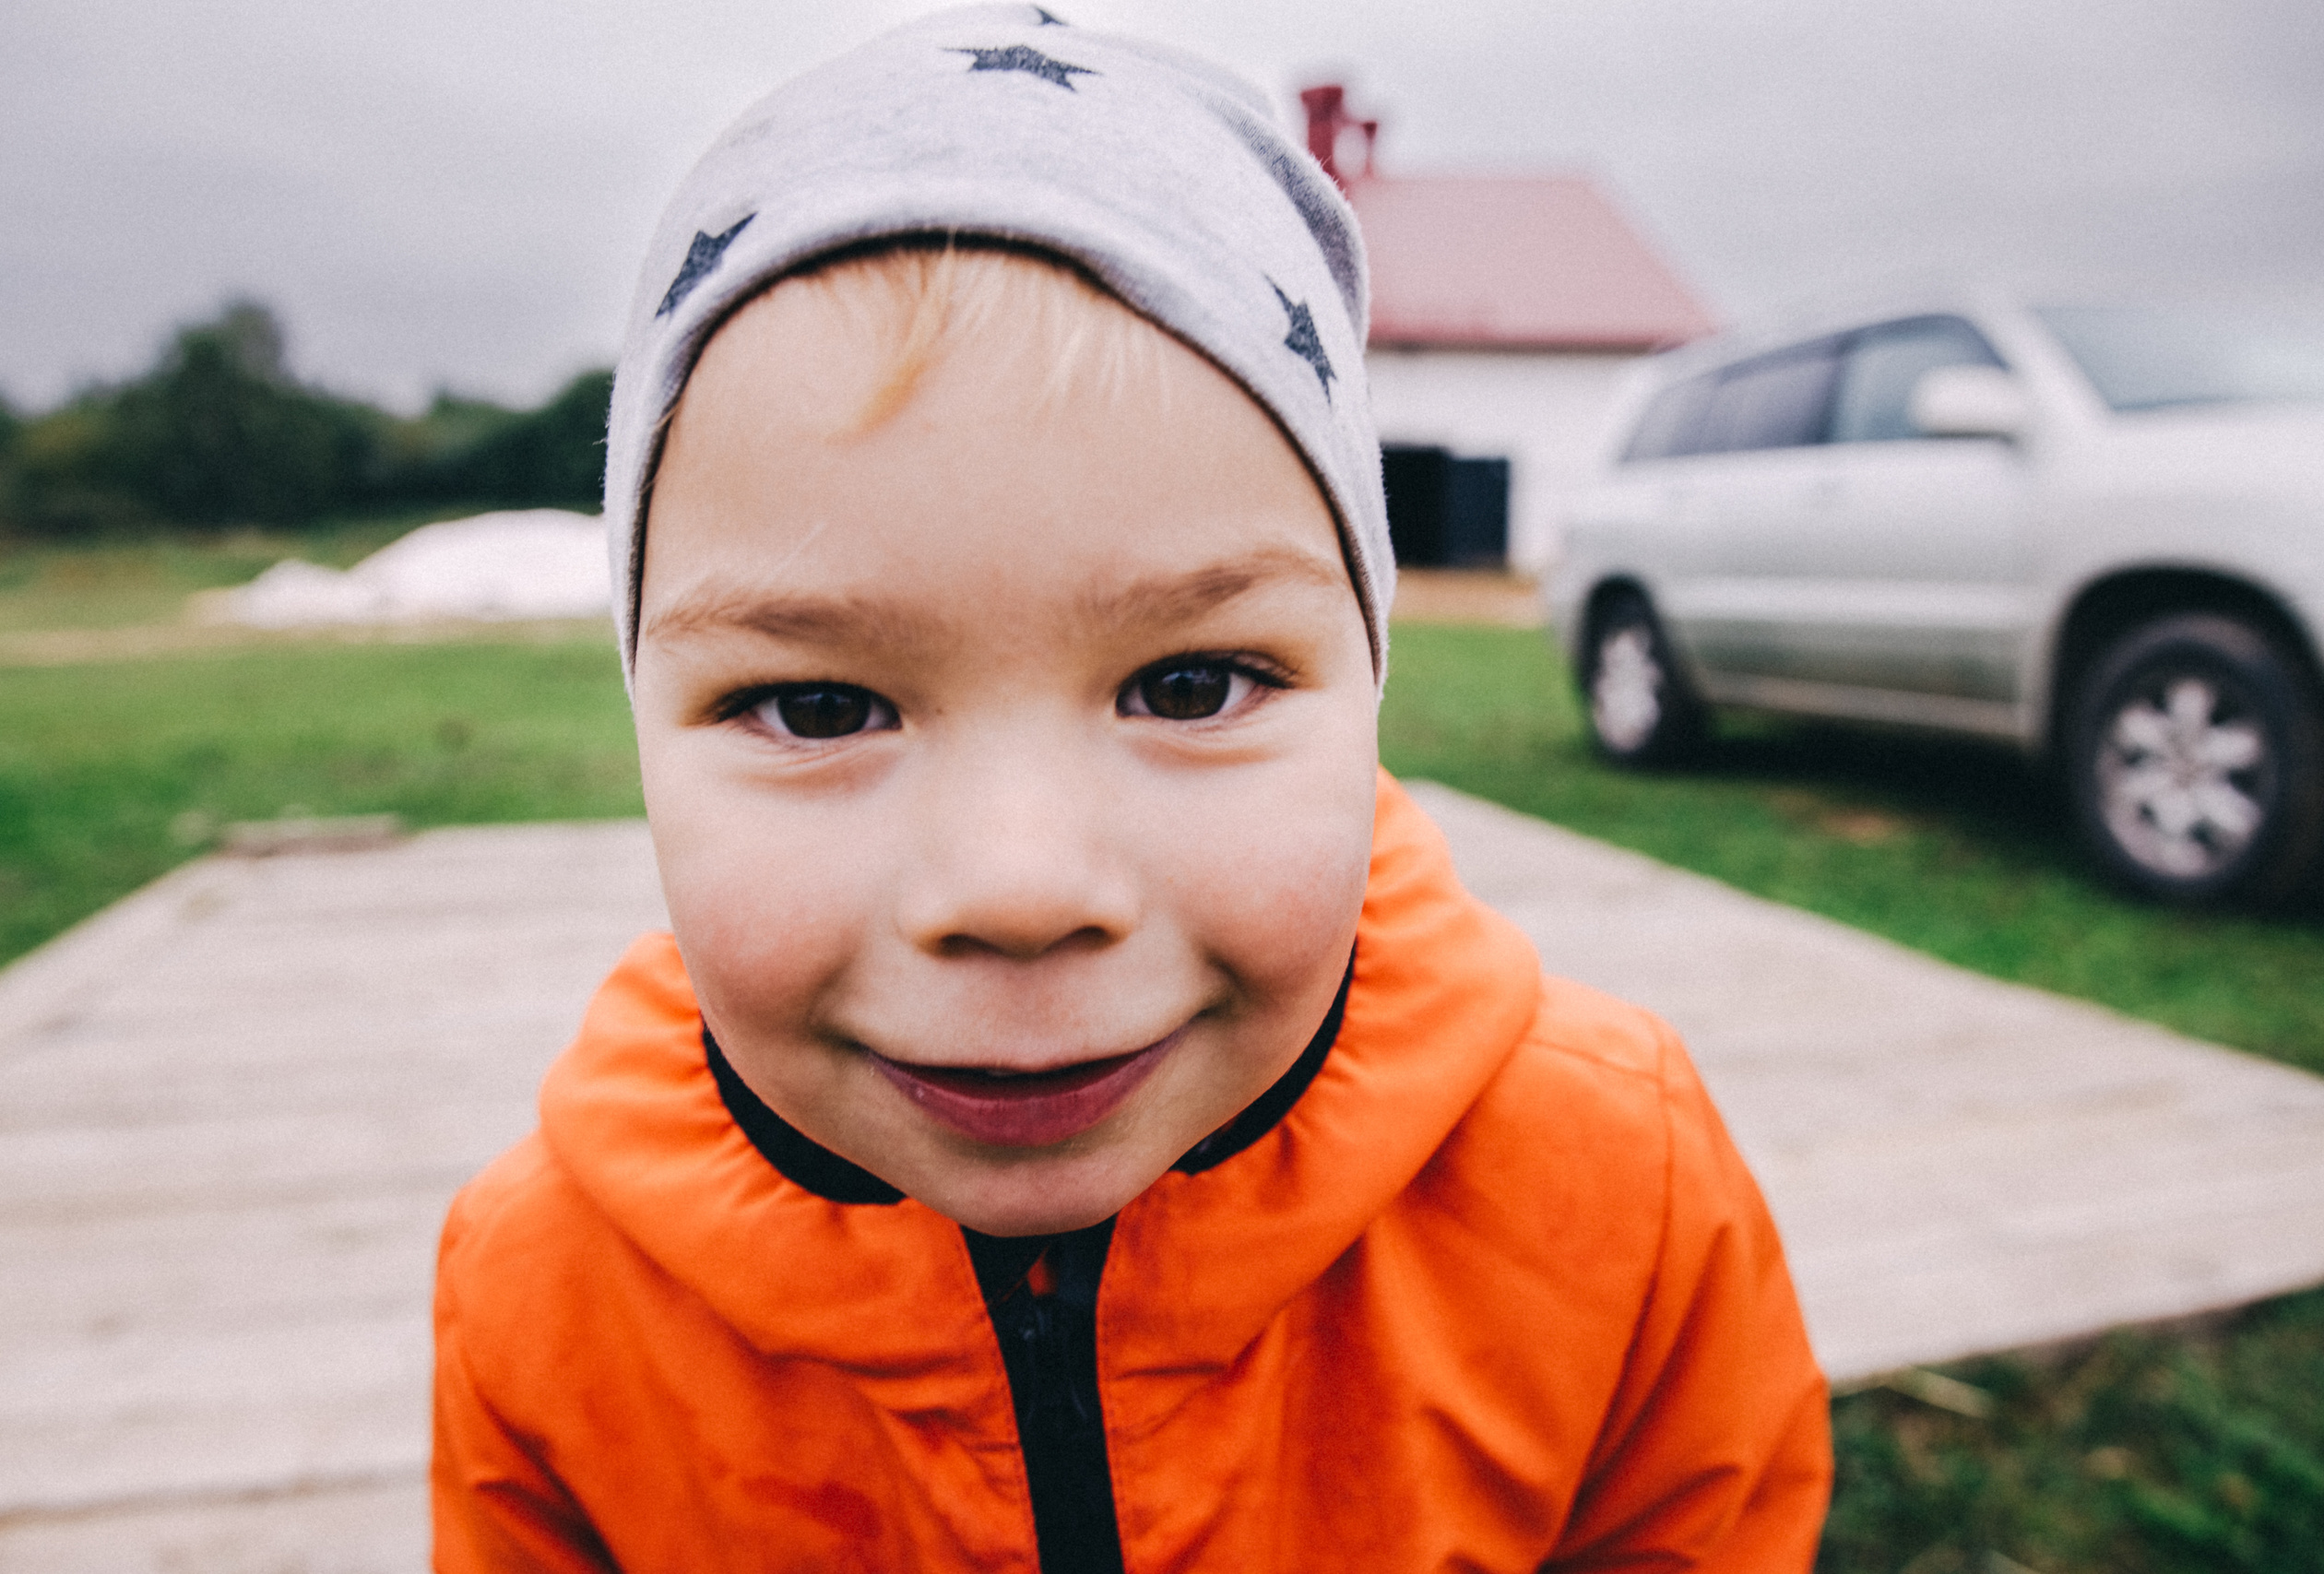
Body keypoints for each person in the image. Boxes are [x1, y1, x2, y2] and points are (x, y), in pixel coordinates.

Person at [430, 8, 1832, 1569]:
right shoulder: (540, 1295)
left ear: (1371, 682)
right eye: (820, 706)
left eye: (1190, 686)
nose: (1021, 890)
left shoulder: (1618, 1183)